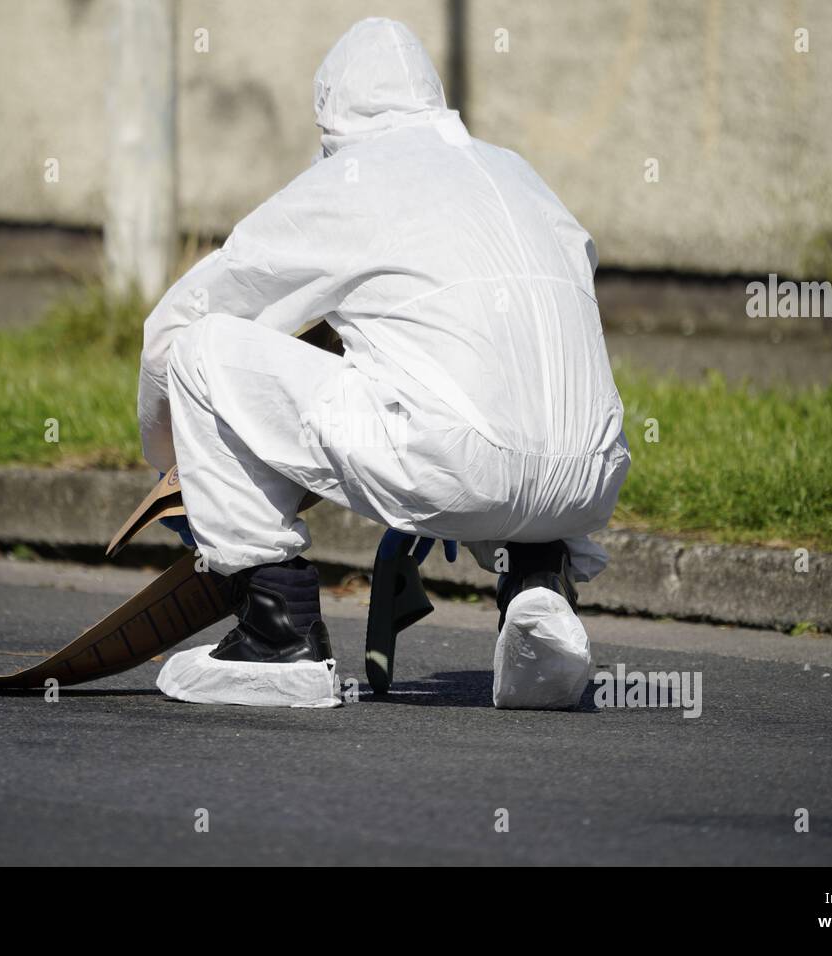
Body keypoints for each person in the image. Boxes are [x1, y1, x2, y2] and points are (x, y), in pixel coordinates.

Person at [140, 17, 630, 709]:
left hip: (458, 464)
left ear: (332, 126)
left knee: (200, 347)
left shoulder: (347, 180)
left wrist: (175, 473)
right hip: (589, 476)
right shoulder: (518, 174)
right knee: (521, 389)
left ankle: (275, 631)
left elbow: (173, 328)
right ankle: (537, 587)